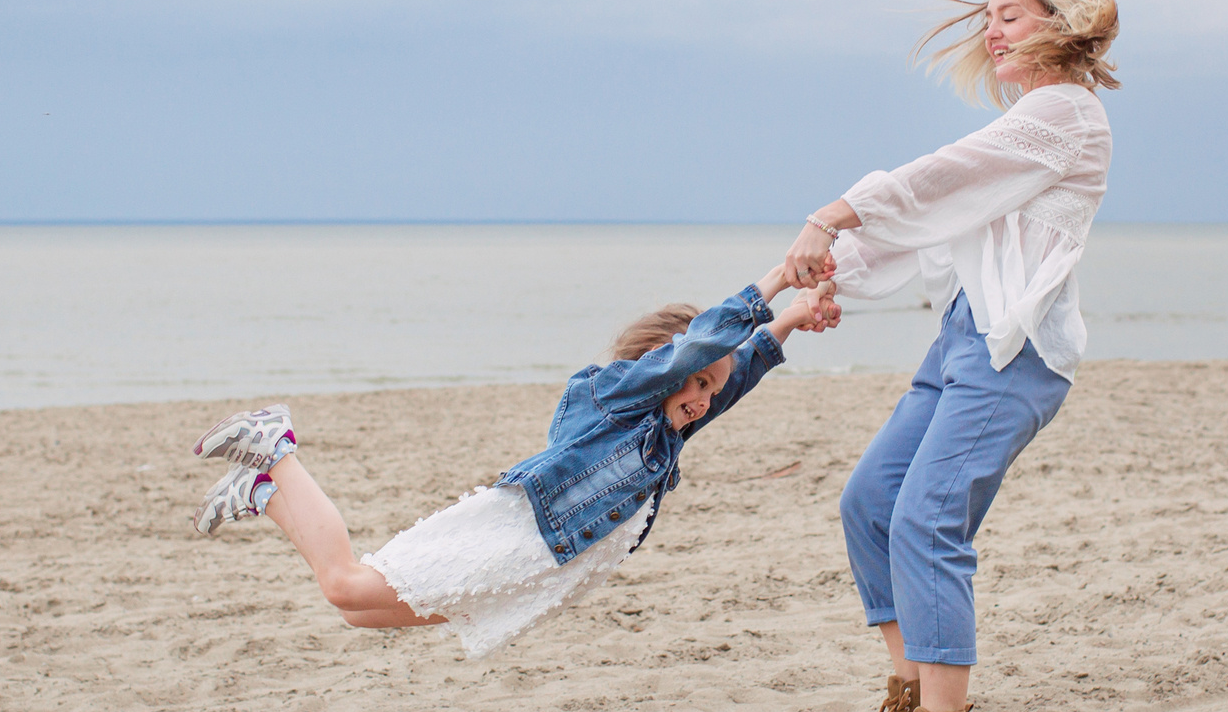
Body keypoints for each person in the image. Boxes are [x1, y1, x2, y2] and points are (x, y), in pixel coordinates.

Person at [778, 0, 1117, 712]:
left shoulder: (1066, 114)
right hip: (965, 339)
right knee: (871, 500)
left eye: (1010, 15)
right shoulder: (1028, 121)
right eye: (988, 18)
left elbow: (939, 182)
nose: (992, 32)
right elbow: (936, 224)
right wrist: (821, 285)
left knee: (928, 518)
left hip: (1018, 352)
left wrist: (830, 214)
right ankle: (909, 695)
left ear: (1060, 22)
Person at [186, 264, 839, 658]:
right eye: (694, 381)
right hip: (515, 537)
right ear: (659, 368)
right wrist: (779, 279)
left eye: (709, 389)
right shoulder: (614, 397)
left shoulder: (668, 432)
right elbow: (702, 347)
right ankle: (278, 457)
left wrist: (790, 320)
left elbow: (734, 370)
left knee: (358, 610)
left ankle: (264, 489)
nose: (701, 398)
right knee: (347, 587)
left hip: (541, 568)